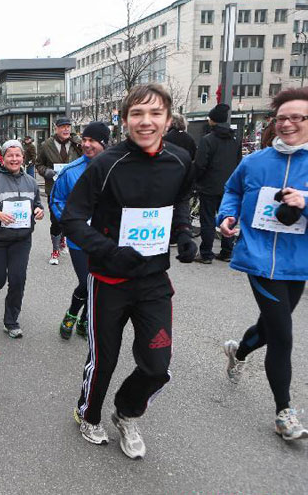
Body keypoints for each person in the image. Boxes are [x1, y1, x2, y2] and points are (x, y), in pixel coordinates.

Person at [60, 84, 197, 460]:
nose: (146, 121)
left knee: (157, 367)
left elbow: (182, 198)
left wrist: (184, 234)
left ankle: (127, 411)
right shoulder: (106, 164)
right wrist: (109, 251)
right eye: (137, 113)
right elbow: (71, 218)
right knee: (104, 360)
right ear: (124, 121)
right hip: (108, 280)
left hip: (153, 280)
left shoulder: (181, 160)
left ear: (168, 121)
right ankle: (88, 414)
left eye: (155, 114)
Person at [217, 87, 308, 441]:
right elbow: (232, 191)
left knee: (270, 329)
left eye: (296, 118)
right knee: (282, 334)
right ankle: (284, 412)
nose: (287, 124)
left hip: (297, 263)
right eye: (282, 118)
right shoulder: (254, 162)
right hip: (257, 259)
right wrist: (226, 217)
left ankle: (237, 350)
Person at [0, 140, 44, 339]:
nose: (14, 159)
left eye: (18, 155)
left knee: (18, 280)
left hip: (21, 239)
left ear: (23, 157)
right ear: (3, 158)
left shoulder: (30, 181)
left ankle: (11, 321)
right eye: (10, 155)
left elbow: (37, 204)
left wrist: (39, 210)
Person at [51, 121, 111, 340]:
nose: (86, 144)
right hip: (80, 240)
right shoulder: (71, 171)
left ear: (104, 143)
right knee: (87, 281)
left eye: (92, 140)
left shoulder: (117, 168)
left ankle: (87, 318)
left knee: (101, 283)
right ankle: (72, 314)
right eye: (84, 140)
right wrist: (70, 224)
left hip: (106, 239)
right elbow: (57, 200)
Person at [194, 103, 242, 264]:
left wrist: (196, 181)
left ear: (213, 121)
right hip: (229, 188)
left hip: (209, 187)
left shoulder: (207, 140)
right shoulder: (235, 141)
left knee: (207, 220)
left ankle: (206, 253)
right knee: (227, 218)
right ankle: (227, 251)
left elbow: (200, 165)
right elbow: (238, 164)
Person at [37, 118, 82, 265]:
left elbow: (86, 158)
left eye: (68, 127)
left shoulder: (77, 143)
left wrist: (77, 141)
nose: (66, 130)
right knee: (56, 219)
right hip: (54, 188)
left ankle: (64, 240)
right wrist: (47, 172)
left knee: (69, 218)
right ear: (55, 128)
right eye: (63, 127)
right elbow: (39, 164)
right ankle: (55, 248)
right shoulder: (46, 145)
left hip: (73, 188)